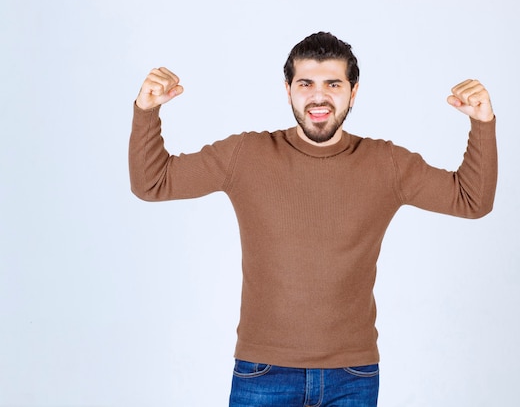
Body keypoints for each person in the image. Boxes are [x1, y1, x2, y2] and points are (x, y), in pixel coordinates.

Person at [129, 31, 497, 406]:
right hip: (263, 371)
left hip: (352, 375)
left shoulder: (385, 163)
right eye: (306, 83)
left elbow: (470, 200)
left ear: (353, 92)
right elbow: (153, 183)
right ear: (287, 89)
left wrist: (482, 123)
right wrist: (147, 111)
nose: (319, 96)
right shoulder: (247, 154)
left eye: (333, 84)